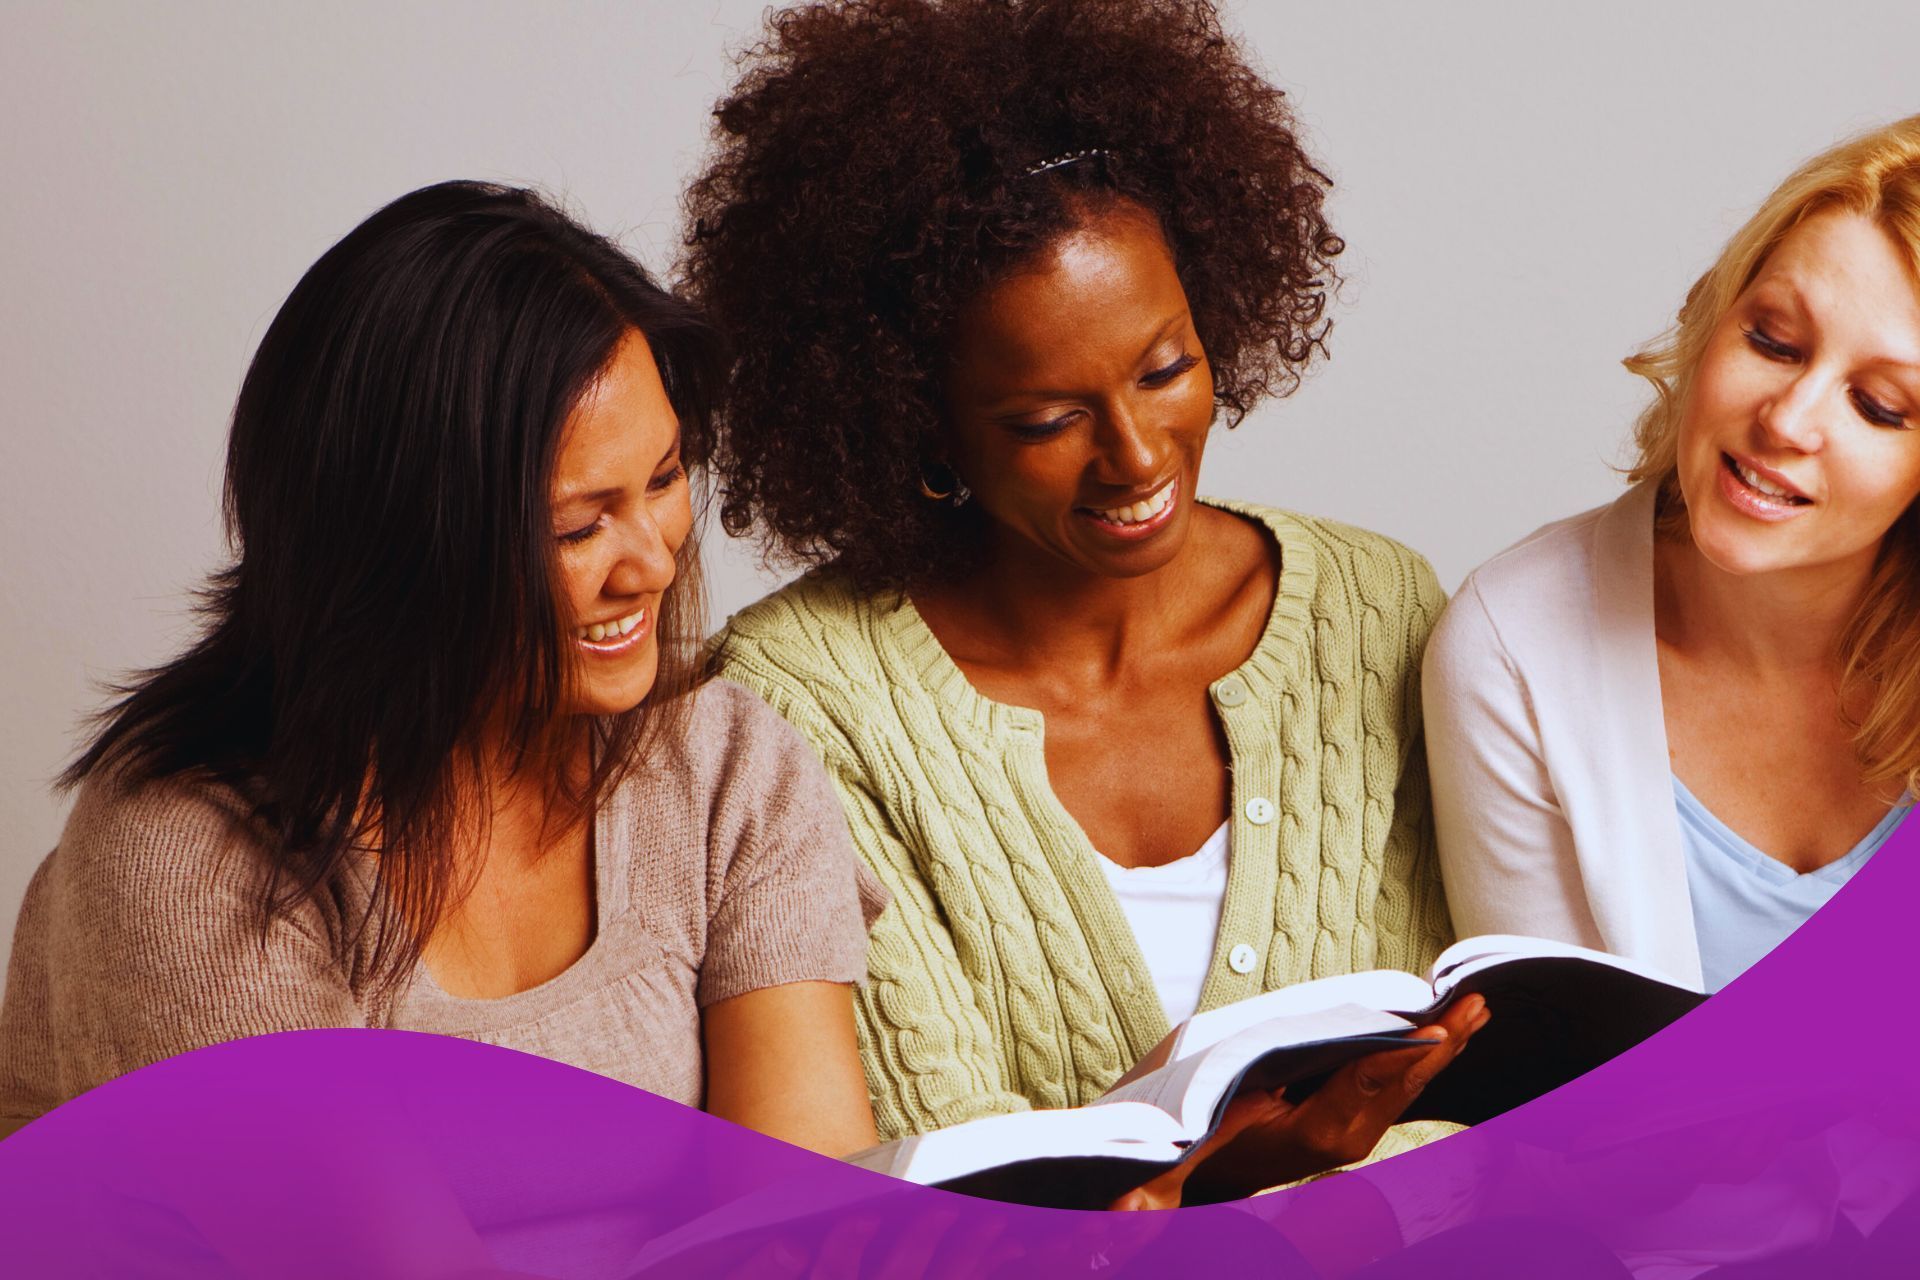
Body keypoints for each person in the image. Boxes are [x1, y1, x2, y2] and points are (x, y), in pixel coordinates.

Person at [690, 0, 1486, 1204]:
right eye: (1047, 420)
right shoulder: (801, 700)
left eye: (1165, 368)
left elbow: (1465, 1097)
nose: (1137, 455)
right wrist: (1249, 1170)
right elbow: (942, 1168)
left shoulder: (1374, 611)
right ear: (920, 419)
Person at [0, 181, 883, 1156]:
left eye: (666, 478)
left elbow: (819, 1206)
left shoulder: (725, 771)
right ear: (397, 544)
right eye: (577, 527)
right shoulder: (192, 855)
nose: (652, 564)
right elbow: (354, 1235)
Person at [1424, 116, 1920, 995]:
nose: (1787, 421)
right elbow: (1567, 1069)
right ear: (1711, 316)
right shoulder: (1517, 644)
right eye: (1772, 341)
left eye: (1878, 405)